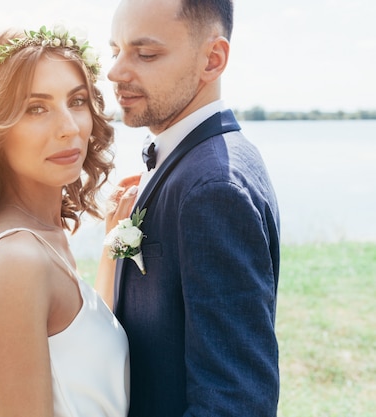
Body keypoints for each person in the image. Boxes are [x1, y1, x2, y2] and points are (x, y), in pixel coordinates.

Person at [0, 26, 130, 417]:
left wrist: (113, 247)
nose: (68, 127)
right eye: (36, 108)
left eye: (77, 100)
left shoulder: (43, 236)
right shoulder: (16, 261)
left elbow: (78, 346)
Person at [107, 0, 281, 416]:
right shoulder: (189, 158)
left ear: (212, 59)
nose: (114, 72)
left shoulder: (214, 189)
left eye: (145, 54)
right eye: (115, 50)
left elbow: (235, 401)